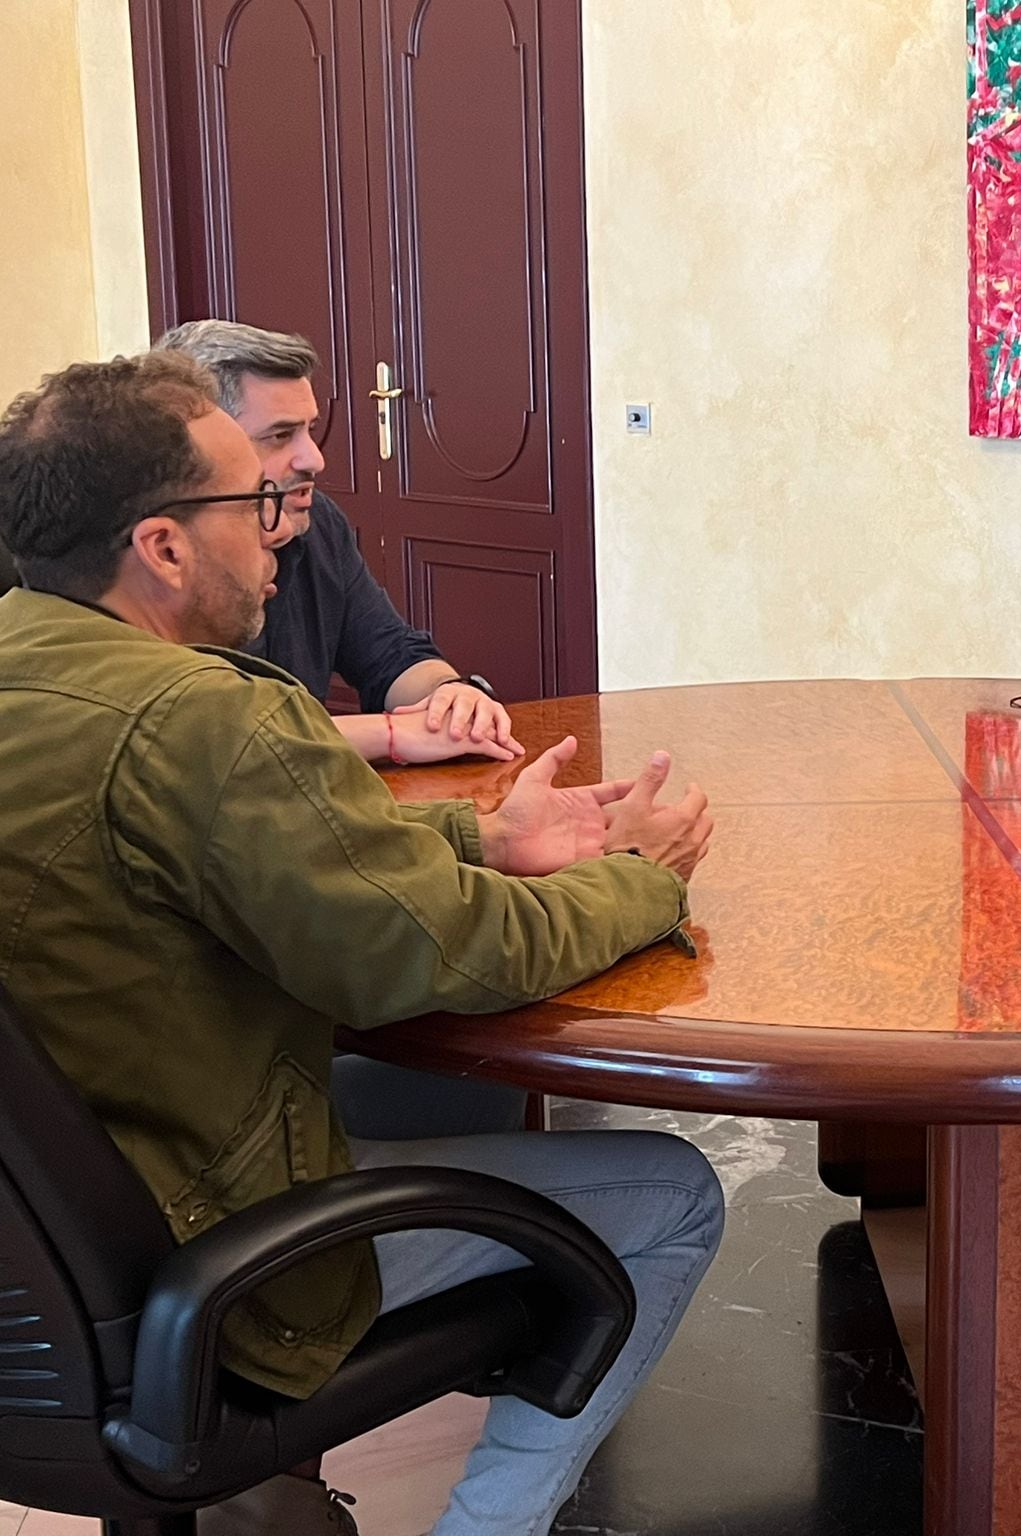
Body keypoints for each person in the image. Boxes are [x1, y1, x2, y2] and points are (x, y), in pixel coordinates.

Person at [0, 353, 722, 1535]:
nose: (290, 518)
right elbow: (447, 956)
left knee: (461, 1099)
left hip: (44, 1272)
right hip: (201, 1266)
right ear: (164, 547)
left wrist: (483, 834)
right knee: (673, 1192)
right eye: (255, 500)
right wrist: (640, 881)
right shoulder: (205, 716)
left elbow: (236, 850)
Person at [156, 319, 518, 768]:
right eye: (280, 435)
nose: (314, 458)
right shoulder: (157, 558)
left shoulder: (319, 521)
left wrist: (451, 697)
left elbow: (389, 654)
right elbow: (200, 738)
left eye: (310, 429)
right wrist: (387, 734)